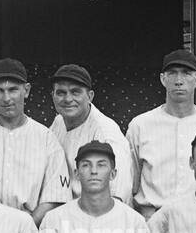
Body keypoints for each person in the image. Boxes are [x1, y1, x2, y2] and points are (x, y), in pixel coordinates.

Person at [0, 58, 70, 223]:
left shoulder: (46, 138)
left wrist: (23, 230)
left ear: (26, 90)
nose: (6, 98)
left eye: (13, 90)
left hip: (28, 229)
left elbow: (54, 198)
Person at [125, 49, 196, 220]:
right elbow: (129, 183)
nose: (179, 81)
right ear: (163, 79)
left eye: (186, 73)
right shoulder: (140, 125)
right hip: (152, 218)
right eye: (172, 73)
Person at [47, 64, 133, 205]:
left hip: (99, 216)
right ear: (53, 96)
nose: (68, 99)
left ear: (90, 96)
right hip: (65, 208)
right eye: (61, 92)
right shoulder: (58, 121)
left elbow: (117, 196)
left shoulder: (106, 134)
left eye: (75, 92)